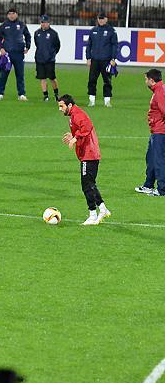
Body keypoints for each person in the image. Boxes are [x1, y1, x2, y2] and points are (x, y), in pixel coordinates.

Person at [58, 94, 111, 225]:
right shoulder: (74, 115)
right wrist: (73, 136)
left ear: (69, 105)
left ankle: (93, 214)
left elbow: (87, 127)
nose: (60, 109)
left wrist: (75, 139)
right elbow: (81, 129)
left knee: (86, 185)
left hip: (89, 154)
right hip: (88, 154)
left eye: (61, 106)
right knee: (90, 184)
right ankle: (102, 209)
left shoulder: (78, 114)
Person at [136, 68, 165, 196]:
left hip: (160, 132)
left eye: (146, 79)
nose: (145, 81)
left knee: (159, 160)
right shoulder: (159, 90)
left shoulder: (159, 93)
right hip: (156, 130)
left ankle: (162, 189)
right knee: (151, 159)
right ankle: (148, 185)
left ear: (152, 80)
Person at [0, 7, 31, 101]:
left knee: (20, 75)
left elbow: (28, 36)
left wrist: (28, 46)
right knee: (3, 75)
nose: (11, 15)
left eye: (13, 13)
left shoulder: (22, 25)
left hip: (19, 54)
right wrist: (1, 48)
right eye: (9, 14)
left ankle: (21, 94)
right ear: (7, 15)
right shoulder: (3, 26)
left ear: (17, 14)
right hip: (7, 55)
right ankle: (0, 93)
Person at [86, 12, 118, 107]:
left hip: (106, 60)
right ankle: (91, 100)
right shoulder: (93, 30)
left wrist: (113, 58)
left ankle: (107, 100)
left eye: (102, 18)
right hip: (95, 60)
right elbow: (89, 45)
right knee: (92, 80)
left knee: (107, 80)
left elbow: (115, 45)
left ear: (106, 19)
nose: (101, 20)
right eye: (99, 18)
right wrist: (88, 58)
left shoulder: (111, 31)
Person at [34, 15, 60, 102]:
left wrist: (52, 54)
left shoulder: (53, 33)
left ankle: (56, 94)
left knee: (52, 78)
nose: (43, 24)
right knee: (42, 78)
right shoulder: (37, 33)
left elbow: (57, 46)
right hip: (39, 59)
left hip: (49, 60)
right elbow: (37, 44)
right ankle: (45, 95)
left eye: (45, 22)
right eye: (42, 22)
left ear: (49, 23)